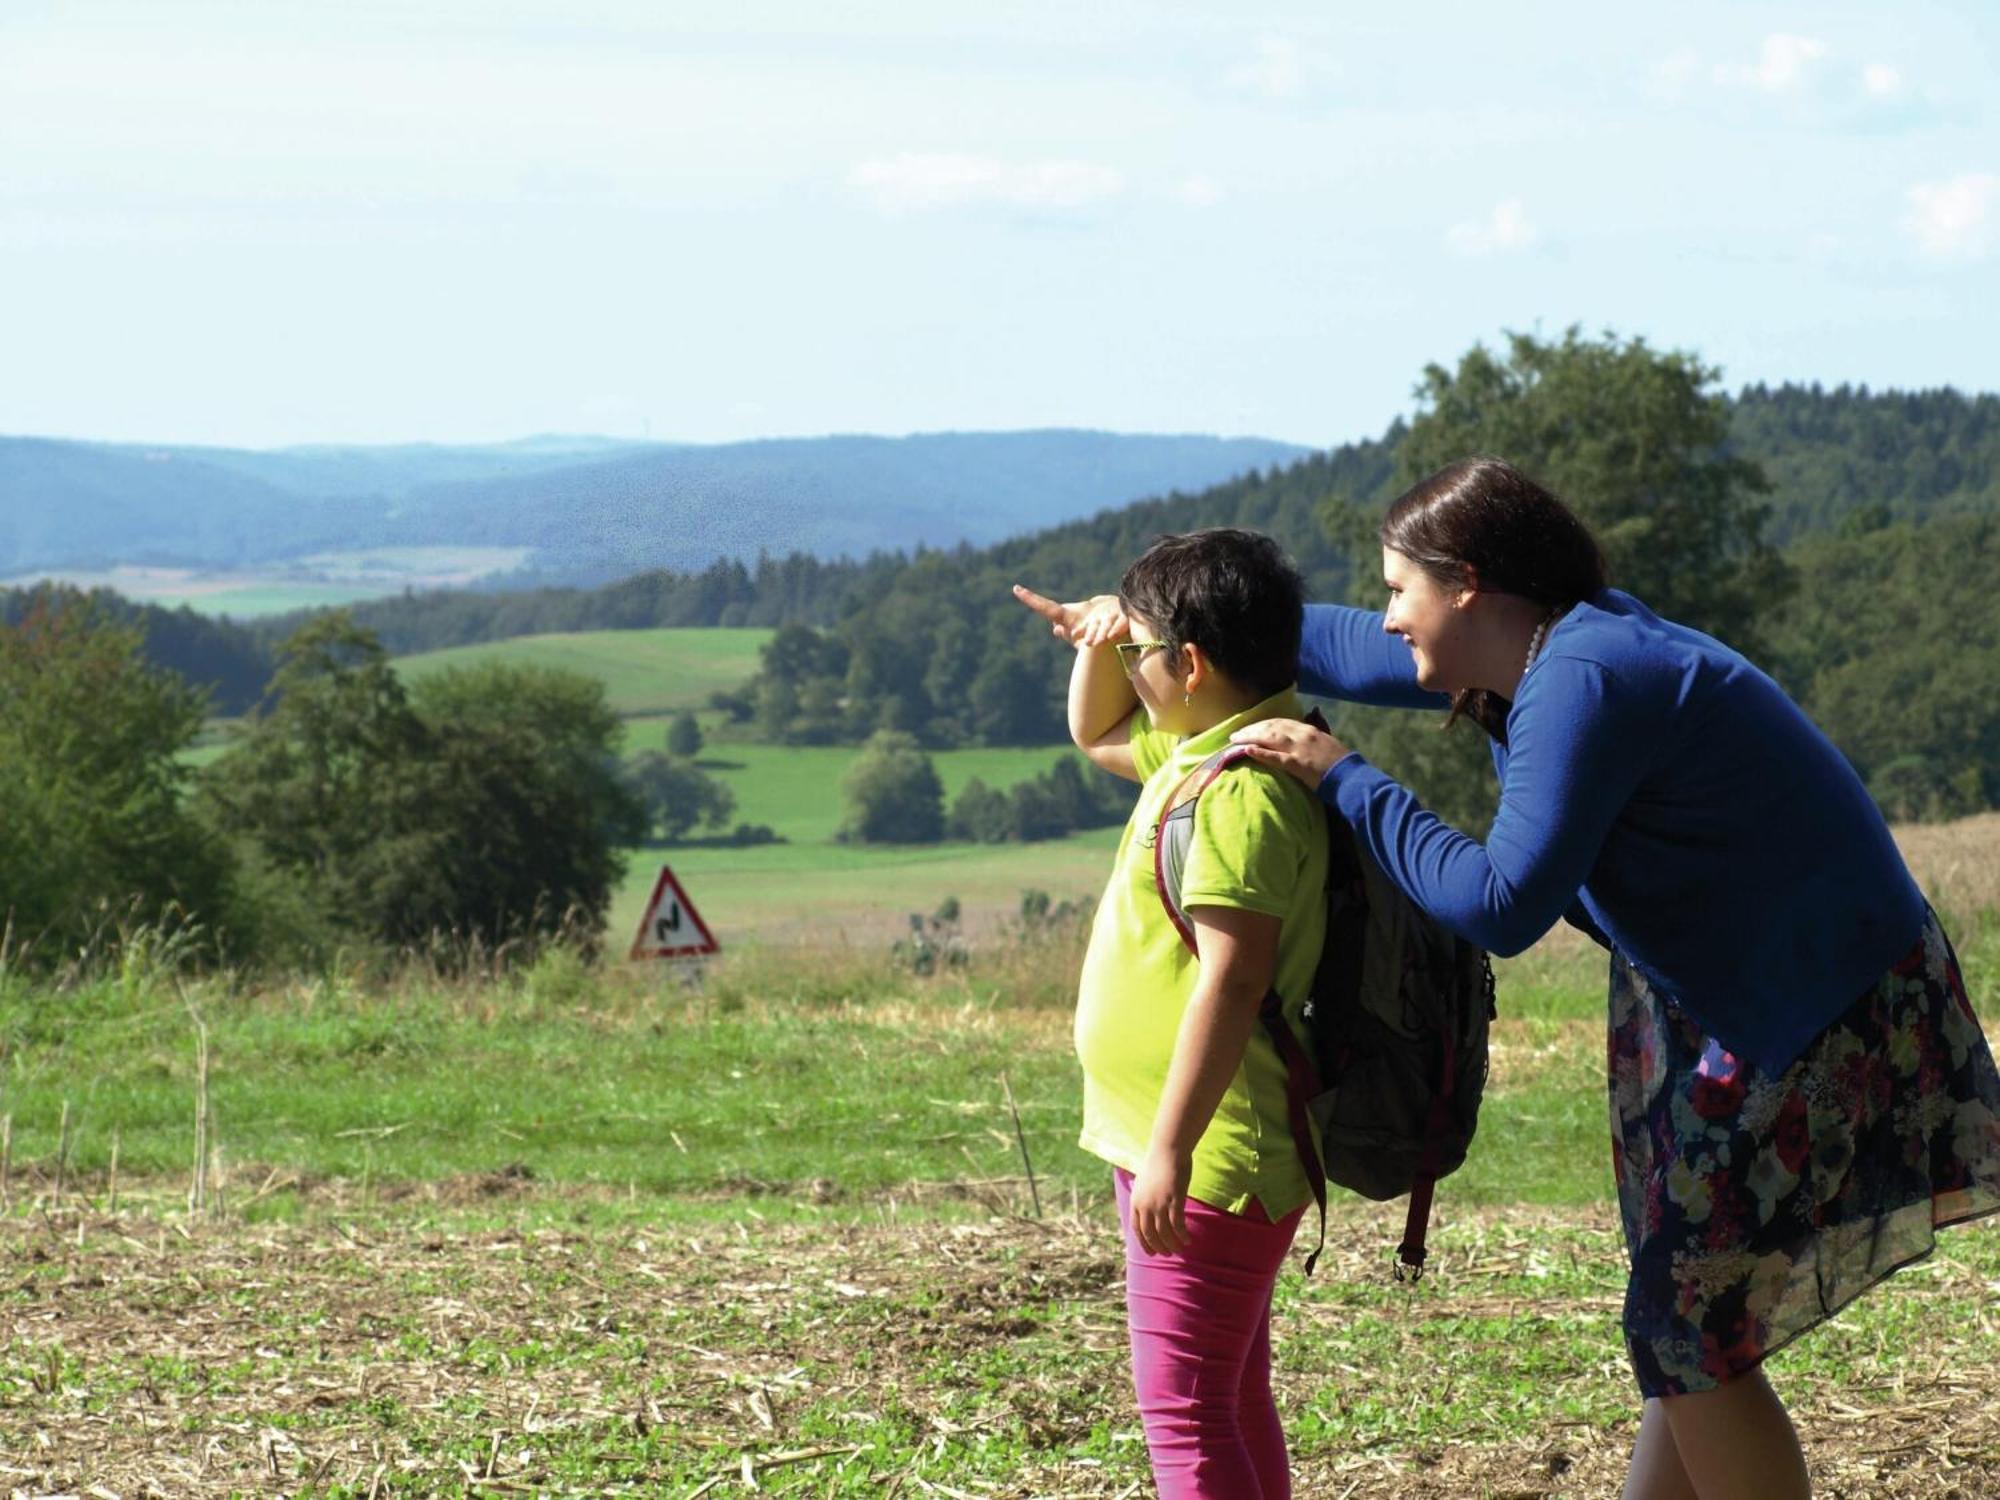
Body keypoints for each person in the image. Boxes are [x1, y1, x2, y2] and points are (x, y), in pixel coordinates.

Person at [1212, 456, 2000, 1500]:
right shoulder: (1547, 648)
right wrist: (1182, 613)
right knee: (1683, 1328)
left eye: (1402, 587)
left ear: (1468, 586)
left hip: (1815, 1005)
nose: (1390, 615)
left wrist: (1343, 776)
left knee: (1683, 1326)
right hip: (1732, 998)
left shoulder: (1584, 678)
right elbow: (1346, 642)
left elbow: (1500, 905)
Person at [1012, 527, 1328, 1500]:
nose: (1129, 667)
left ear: (1188, 664)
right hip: (1192, 1148)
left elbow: (1231, 985)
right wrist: (1105, 640)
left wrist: (1168, 1149)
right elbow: (1094, 733)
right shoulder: (1206, 747)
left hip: (1206, 1158)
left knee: (1185, 1421)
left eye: (1142, 649)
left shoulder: (1238, 794)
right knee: (1229, 1399)